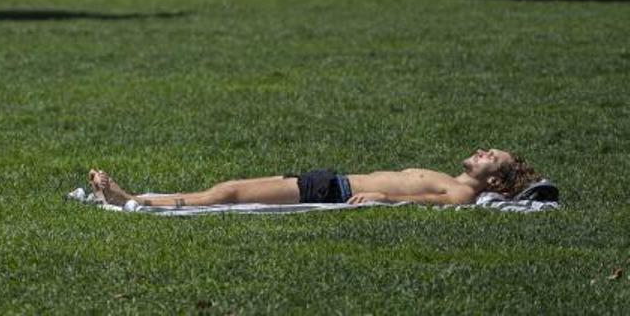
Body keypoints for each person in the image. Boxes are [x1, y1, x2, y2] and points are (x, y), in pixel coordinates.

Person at [87, 148, 539, 207]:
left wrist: (386, 199)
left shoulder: (460, 192)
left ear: (495, 184)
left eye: (489, 157)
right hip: (332, 180)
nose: (480, 151)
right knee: (227, 189)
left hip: (335, 189)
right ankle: (144, 198)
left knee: (228, 194)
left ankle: (131, 200)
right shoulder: (452, 177)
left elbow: (431, 204)